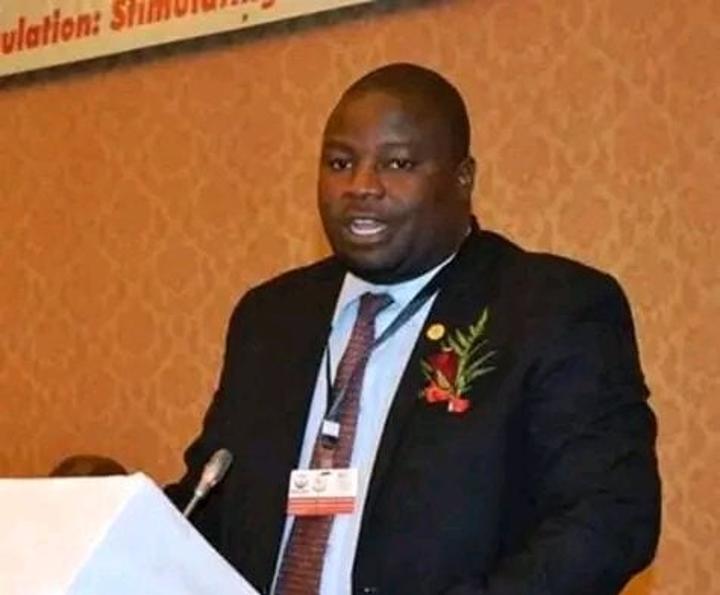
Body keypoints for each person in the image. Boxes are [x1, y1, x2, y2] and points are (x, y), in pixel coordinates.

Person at [167, 63, 660, 595]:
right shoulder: (271, 318)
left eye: (397, 164)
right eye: (340, 163)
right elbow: (206, 502)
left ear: (463, 179)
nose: (361, 186)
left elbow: (608, 519)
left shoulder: (549, 309)